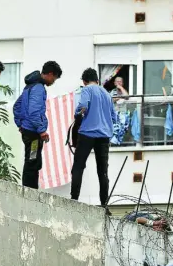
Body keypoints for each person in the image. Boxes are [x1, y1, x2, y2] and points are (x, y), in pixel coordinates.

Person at [70, 68, 117, 214]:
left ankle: (74, 200)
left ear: (84, 81)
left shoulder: (87, 90)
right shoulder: (106, 94)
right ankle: (104, 204)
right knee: (102, 171)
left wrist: (78, 115)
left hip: (87, 134)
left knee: (78, 166)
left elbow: (83, 107)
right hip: (104, 137)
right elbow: (114, 117)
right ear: (97, 80)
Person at [13, 61, 63, 189]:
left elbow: (17, 106)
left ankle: (29, 189)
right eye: (55, 79)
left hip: (27, 130)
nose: (53, 82)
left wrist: (20, 123)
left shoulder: (29, 87)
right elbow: (34, 111)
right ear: (51, 74)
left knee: (31, 160)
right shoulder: (39, 88)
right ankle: (30, 191)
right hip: (34, 133)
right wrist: (41, 130)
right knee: (33, 161)